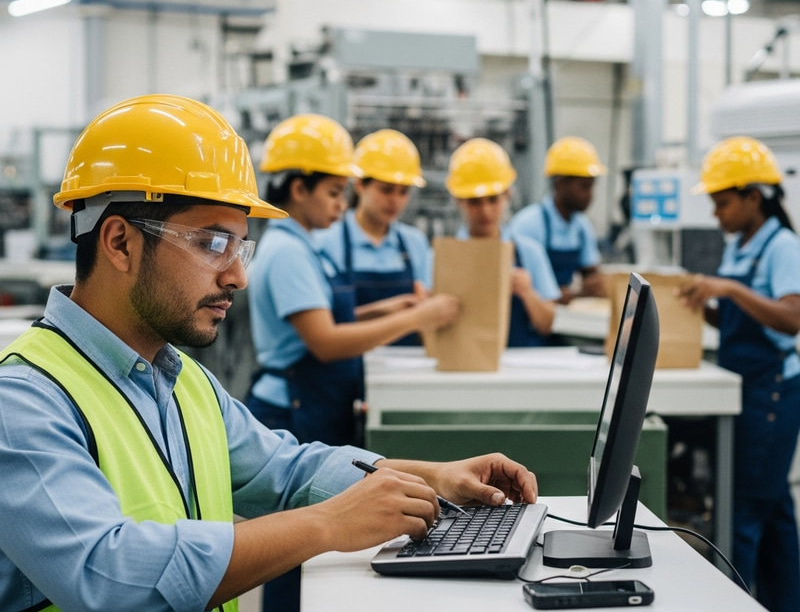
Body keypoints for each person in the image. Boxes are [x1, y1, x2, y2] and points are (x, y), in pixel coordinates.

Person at [0, 95, 537, 612]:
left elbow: (288, 470)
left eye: (240, 247)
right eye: (212, 243)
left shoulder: (183, 380)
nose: (236, 276)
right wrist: (327, 523)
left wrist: (432, 479)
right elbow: (105, 577)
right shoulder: (24, 403)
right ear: (119, 242)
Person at [245, 113, 459, 448]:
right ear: (299, 189)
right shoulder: (288, 252)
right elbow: (326, 342)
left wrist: (386, 309)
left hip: (315, 403)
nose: (342, 205)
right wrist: (417, 318)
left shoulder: (304, 244)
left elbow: (319, 320)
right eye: (333, 193)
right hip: (291, 412)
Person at [676, 136, 800, 612]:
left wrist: (726, 287)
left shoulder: (781, 246)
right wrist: (701, 303)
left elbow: (791, 316)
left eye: (723, 203)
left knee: (745, 512)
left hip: (771, 395)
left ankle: (732, 603)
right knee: (777, 513)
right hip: (743, 390)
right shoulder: (743, 245)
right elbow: (734, 318)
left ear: (754, 197)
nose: (716, 214)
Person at [315, 128, 431, 346]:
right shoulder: (327, 241)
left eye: (403, 192)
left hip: (407, 367)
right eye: (386, 190)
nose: (395, 201)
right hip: (348, 363)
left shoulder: (415, 243)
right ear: (359, 184)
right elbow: (323, 325)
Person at [446, 138, 560, 347]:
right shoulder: (443, 258)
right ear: (458, 200)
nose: (485, 211)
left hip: (522, 369)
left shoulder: (529, 253)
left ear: (507, 195)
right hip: (465, 368)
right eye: (474, 202)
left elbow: (548, 325)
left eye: (493, 199)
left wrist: (527, 292)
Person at [510, 136, 607, 304]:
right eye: (584, 186)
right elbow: (511, 285)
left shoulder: (582, 228)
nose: (591, 195)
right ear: (560, 184)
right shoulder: (527, 225)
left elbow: (591, 274)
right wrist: (550, 294)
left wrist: (595, 284)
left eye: (592, 186)